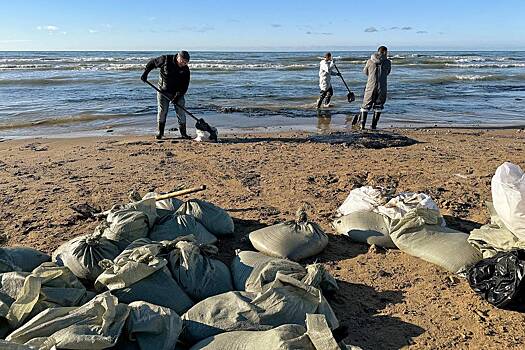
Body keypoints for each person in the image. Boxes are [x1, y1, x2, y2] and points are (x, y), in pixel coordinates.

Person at [141, 50, 191, 139]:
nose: (183, 64)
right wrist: (145, 73)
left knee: (181, 112)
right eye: (182, 61)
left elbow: (185, 86)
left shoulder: (186, 70)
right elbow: (152, 63)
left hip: (177, 93)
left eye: (186, 62)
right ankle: (160, 133)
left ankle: (183, 133)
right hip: (162, 91)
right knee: (162, 111)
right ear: (178, 57)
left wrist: (177, 96)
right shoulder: (165, 59)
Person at [356, 46, 391, 130]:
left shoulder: (369, 61)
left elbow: (365, 72)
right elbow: (388, 72)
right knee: (378, 106)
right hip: (382, 87)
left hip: (370, 86)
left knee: (365, 106)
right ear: (384, 52)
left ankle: (362, 125)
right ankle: (373, 126)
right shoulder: (387, 62)